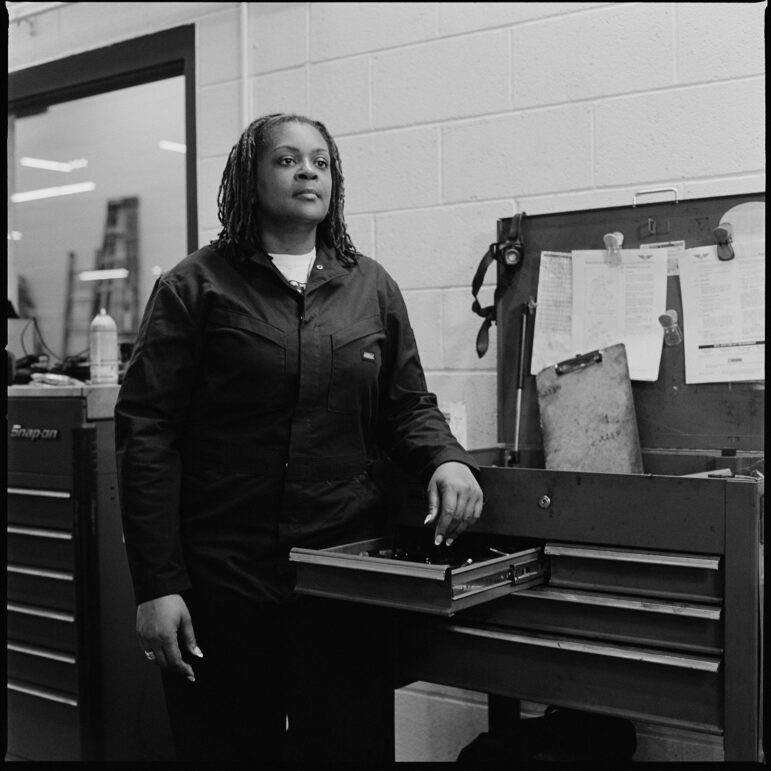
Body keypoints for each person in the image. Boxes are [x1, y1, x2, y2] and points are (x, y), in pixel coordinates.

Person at [115, 112, 484, 763]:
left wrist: (445, 459)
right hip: (222, 574)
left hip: (340, 570)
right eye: (286, 160)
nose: (308, 170)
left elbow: (407, 406)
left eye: (320, 160)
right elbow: (147, 435)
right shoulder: (195, 287)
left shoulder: (369, 286)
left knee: (346, 745)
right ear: (249, 179)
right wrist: (157, 582)